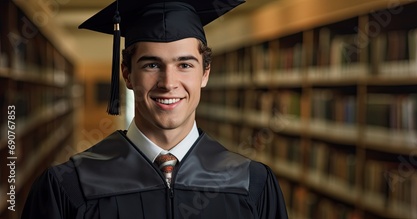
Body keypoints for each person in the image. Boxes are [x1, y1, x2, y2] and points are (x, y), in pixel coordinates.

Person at [21, 0, 289, 218]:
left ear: (205, 73)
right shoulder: (69, 185)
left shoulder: (251, 183)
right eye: (152, 65)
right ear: (127, 74)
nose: (169, 83)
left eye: (185, 65)